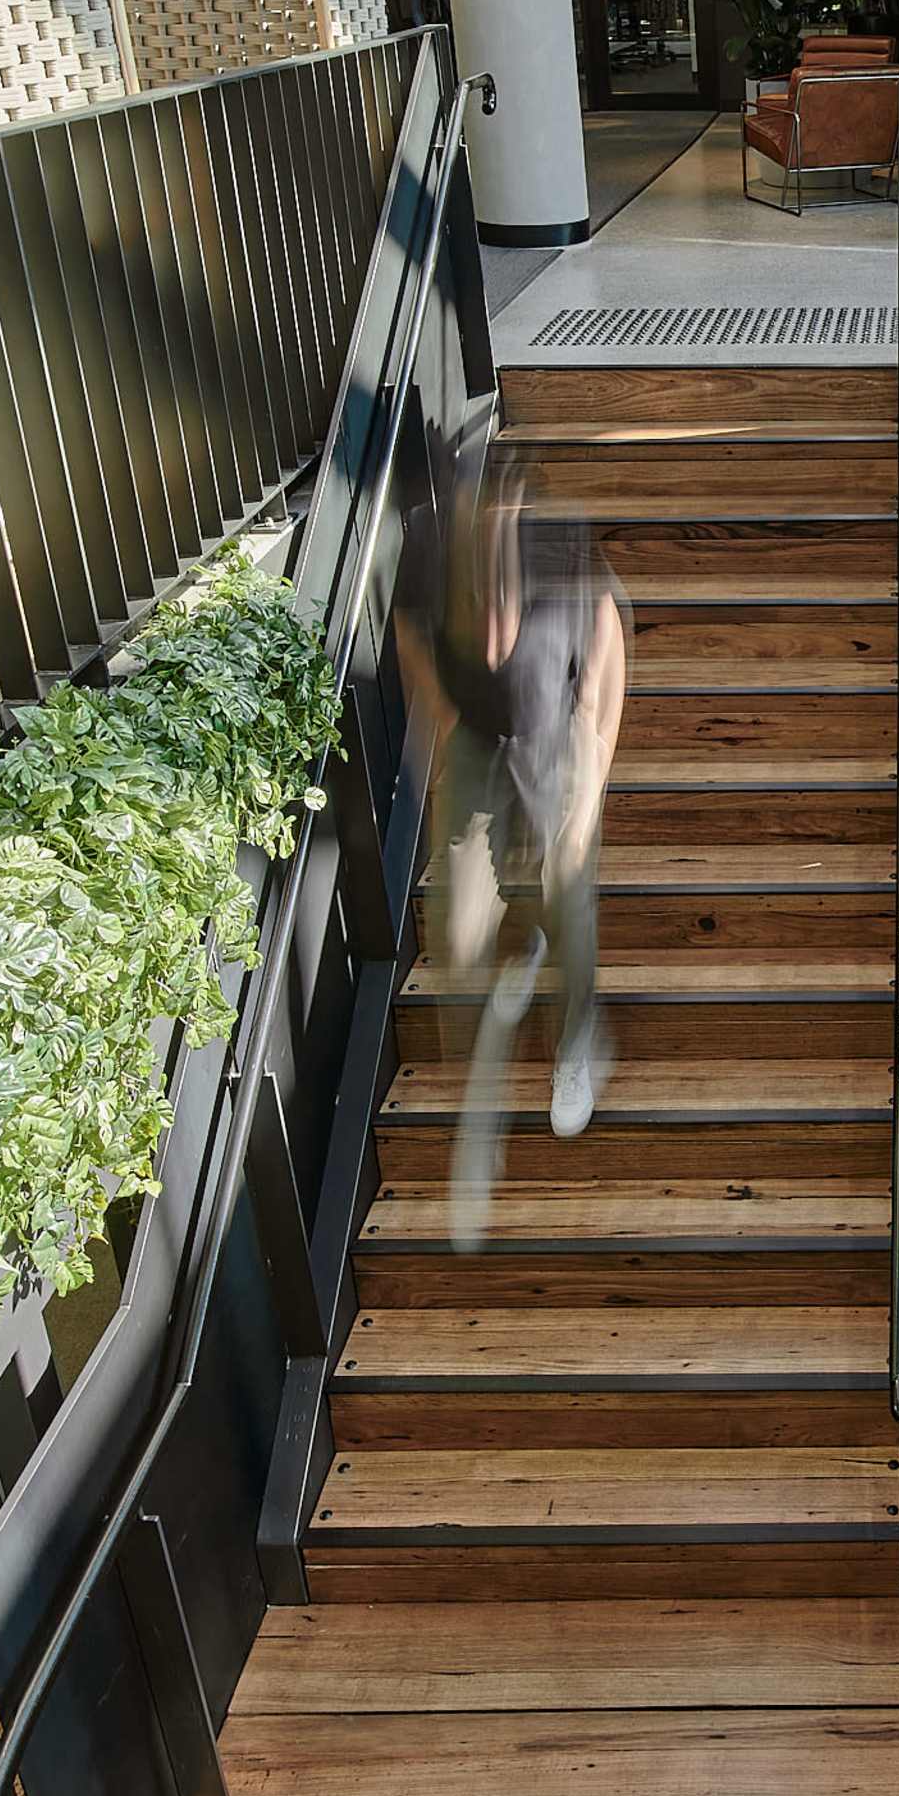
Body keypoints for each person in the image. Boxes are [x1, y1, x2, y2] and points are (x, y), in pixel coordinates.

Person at [396, 432, 628, 1242]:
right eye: (478, 522)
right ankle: (482, 1089)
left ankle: (576, 1042)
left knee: (568, 889)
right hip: (476, 738)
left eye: (506, 520)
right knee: (456, 935)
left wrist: (589, 791)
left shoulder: (561, 547)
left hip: (556, 729)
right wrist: (447, 713)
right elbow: (408, 634)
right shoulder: (426, 546)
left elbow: (604, 662)